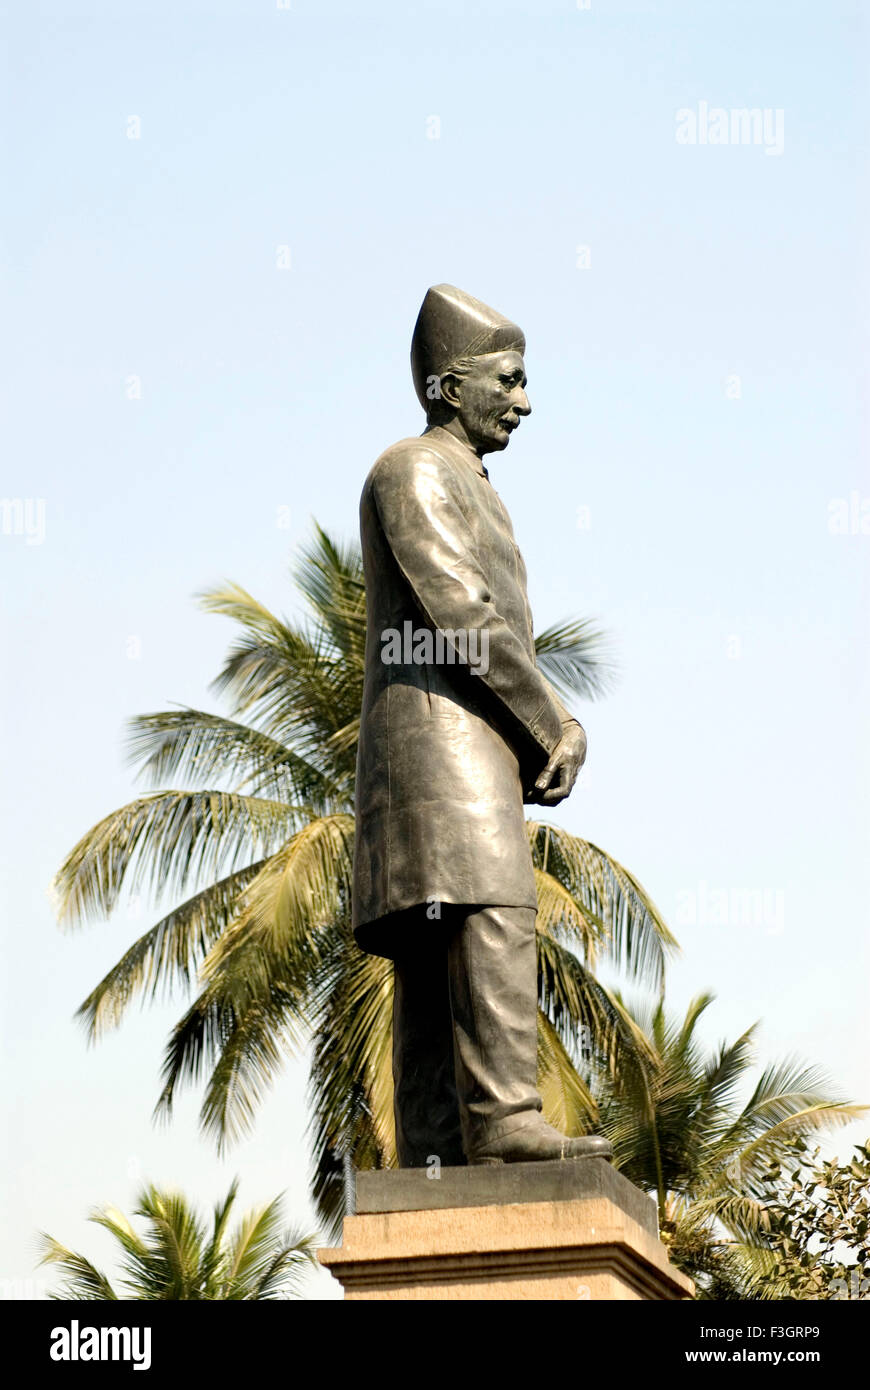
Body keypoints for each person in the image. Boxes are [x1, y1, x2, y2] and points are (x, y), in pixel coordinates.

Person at [353, 284, 612, 1167]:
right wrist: (555, 724)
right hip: (440, 749)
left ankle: (437, 1146)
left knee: (446, 941)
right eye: (507, 380)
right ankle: (500, 1122)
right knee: (488, 915)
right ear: (445, 388)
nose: (525, 401)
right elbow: (460, 613)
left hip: (465, 749)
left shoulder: (470, 483)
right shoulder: (414, 471)